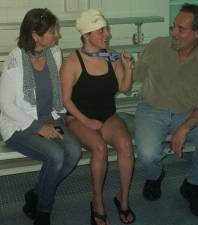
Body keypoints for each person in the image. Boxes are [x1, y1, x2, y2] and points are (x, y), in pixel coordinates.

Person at [134, 3, 198, 219]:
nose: (173, 32)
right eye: (173, 26)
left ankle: (193, 185)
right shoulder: (157, 46)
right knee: (147, 153)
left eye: (181, 29)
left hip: (186, 113)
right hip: (151, 109)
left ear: (197, 33)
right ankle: (155, 176)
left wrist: (184, 128)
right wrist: (124, 67)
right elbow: (134, 78)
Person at [0, 8, 81, 225]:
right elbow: (5, 104)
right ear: (36, 36)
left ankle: (36, 193)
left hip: (50, 117)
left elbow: (60, 91)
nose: (57, 36)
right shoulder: (15, 61)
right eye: (53, 32)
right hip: (19, 124)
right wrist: (38, 127)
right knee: (56, 156)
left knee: (73, 153)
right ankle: (44, 210)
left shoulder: (54, 52)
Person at [60, 9, 136, 225]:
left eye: (106, 29)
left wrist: (128, 68)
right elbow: (66, 101)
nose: (107, 35)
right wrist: (86, 121)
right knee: (100, 149)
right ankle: (97, 201)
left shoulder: (110, 55)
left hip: (107, 115)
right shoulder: (72, 63)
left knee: (126, 146)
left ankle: (123, 198)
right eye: (101, 31)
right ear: (86, 35)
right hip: (79, 118)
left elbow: (125, 88)